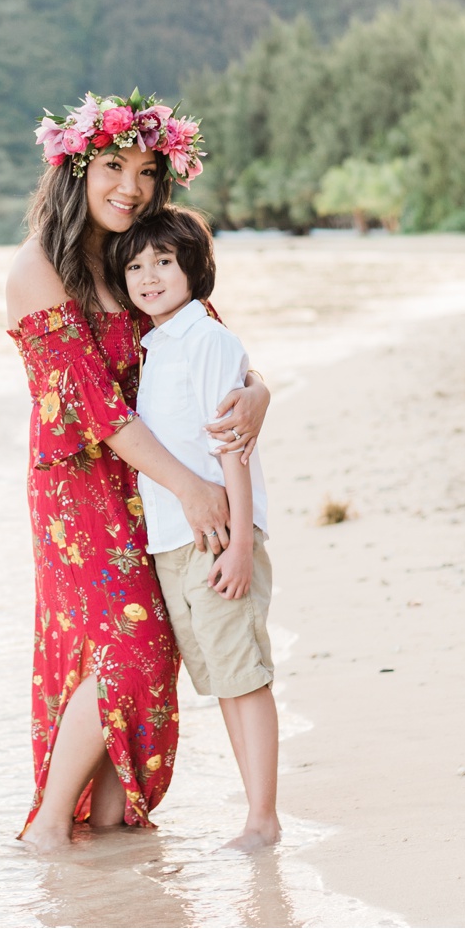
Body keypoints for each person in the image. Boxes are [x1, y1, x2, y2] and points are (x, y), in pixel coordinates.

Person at [5, 92, 272, 853]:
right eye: (113, 165)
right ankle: (51, 826)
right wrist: (194, 487)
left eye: (148, 170)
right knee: (131, 647)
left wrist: (258, 396)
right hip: (79, 485)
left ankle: (113, 828)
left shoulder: (139, 256)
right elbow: (94, 406)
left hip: (149, 481)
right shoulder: (38, 269)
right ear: (75, 167)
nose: (131, 185)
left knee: (155, 654)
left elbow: (214, 348)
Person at [107, 205, 280, 851]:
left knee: (243, 672)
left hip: (217, 539)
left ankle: (263, 818)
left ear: (193, 268)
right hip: (177, 542)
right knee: (223, 679)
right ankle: (255, 813)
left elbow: (229, 442)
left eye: (164, 262)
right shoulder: (156, 344)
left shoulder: (207, 338)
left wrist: (239, 544)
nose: (149, 276)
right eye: (136, 265)